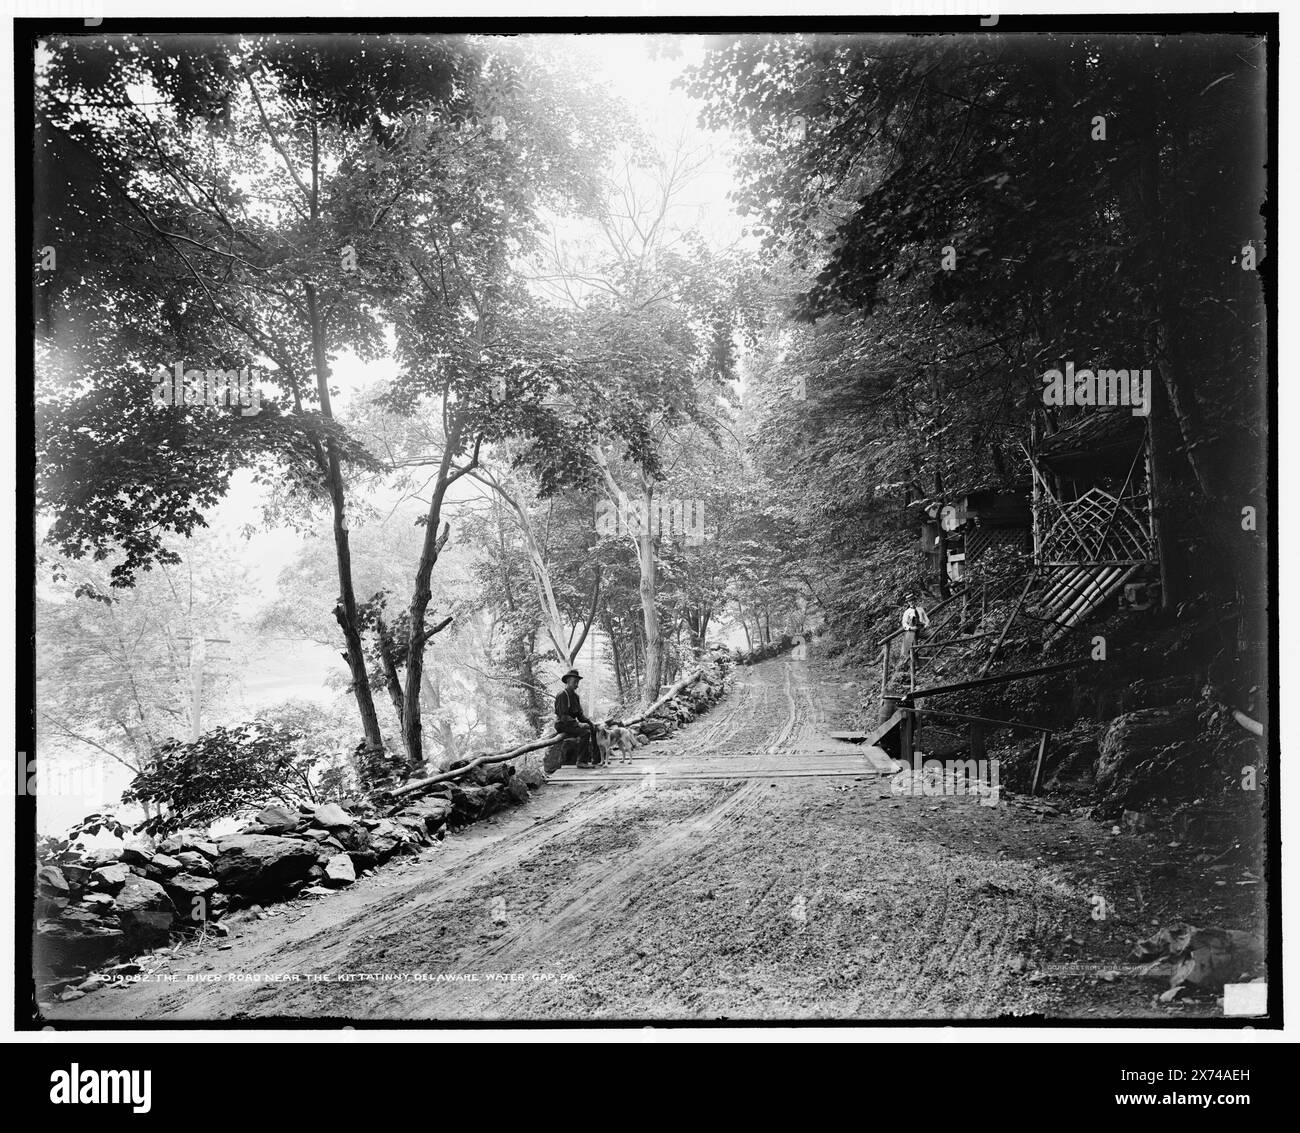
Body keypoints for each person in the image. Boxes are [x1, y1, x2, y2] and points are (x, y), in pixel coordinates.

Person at [554, 669, 597, 768]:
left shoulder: (576, 696)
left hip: (571, 724)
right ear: (568, 681)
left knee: (593, 728)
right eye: (575, 682)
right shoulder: (562, 695)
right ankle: (581, 761)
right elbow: (563, 716)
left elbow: (580, 715)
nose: (577, 685)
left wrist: (589, 723)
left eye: (578, 682)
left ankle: (596, 759)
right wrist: (578, 724)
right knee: (585, 733)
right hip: (562, 724)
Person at [900, 592, 931, 661]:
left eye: (913, 600)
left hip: (922, 629)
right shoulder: (907, 612)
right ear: (908, 602)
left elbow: (927, 620)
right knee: (913, 646)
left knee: (933, 634)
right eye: (910, 601)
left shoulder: (920, 609)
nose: (912, 602)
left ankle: (929, 651)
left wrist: (926, 625)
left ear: (915, 600)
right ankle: (915, 662)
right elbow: (904, 623)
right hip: (913, 630)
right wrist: (910, 628)